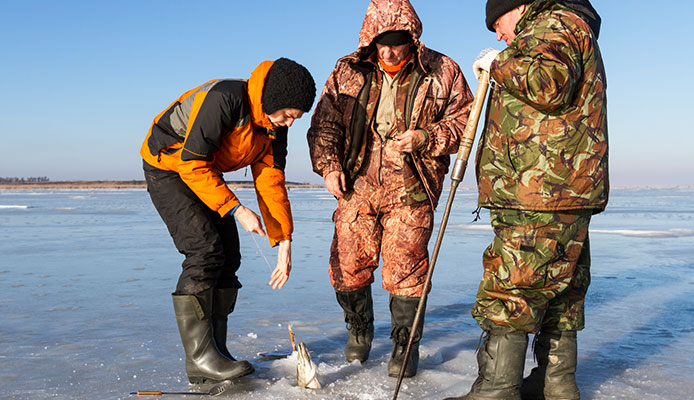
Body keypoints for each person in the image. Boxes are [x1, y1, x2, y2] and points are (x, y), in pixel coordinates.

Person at [444, 0, 607, 399]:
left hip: (538, 192)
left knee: (511, 290)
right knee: (560, 293)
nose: (499, 35)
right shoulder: (564, 25)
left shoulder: (553, 22)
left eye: (497, 24)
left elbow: (549, 84)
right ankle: (556, 385)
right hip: (561, 189)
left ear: (516, 6)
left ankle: (497, 390)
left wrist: (500, 63)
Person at [307, 0, 473, 378]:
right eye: (381, 42)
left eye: (397, 42)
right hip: (357, 184)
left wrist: (426, 137)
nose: (389, 50)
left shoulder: (443, 71)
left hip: (411, 186)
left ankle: (404, 344)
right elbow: (324, 125)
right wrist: (330, 167)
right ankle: (359, 330)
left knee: (406, 268)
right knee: (348, 263)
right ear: (370, 39)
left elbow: (465, 122)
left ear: (412, 38)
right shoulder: (347, 71)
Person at [140, 58, 316, 384]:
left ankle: (216, 351)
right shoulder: (225, 99)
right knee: (204, 251)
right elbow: (192, 163)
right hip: (169, 164)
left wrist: (284, 241)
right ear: (273, 100)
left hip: (204, 171)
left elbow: (271, 181)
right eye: (289, 114)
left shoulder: (273, 127)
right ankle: (199, 360)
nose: (291, 123)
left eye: (297, 118)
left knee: (229, 256)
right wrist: (238, 209)